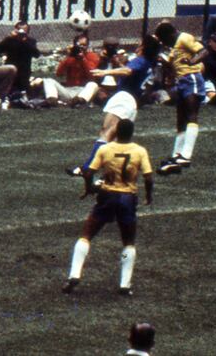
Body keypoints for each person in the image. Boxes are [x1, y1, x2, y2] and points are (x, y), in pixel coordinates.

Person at [62, 119, 152, 297]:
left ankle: (74, 274)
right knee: (128, 241)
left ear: (117, 131)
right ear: (132, 133)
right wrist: (149, 196)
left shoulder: (105, 149)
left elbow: (88, 172)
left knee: (86, 234)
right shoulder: (140, 151)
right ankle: (125, 285)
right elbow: (148, 177)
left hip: (107, 196)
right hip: (127, 198)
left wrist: (89, 188)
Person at [66, 34, 159, 177]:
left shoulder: (140, 60)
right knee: (116, 139)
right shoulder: (148, 62)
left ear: (144, 47)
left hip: (124, 98)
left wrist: (105, 71)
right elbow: (128, 73)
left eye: (140, 43)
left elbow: (127, 71)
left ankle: (88, 169)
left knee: (106, 133)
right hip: (132, 101)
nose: (138, 45)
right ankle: (107, 175)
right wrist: (116, 64)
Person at [155, 22, 207, 174]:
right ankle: (177, 154)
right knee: (181, 119)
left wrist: (192, 62)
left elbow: (203, 51)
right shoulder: (174, 47)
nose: (164, 43)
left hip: (192, 78)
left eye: (163, 40)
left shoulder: (184, 38)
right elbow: (172, 64)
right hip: (181, 81)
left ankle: (186, 155)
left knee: (191, 115)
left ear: (169, 35)